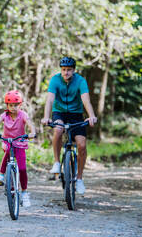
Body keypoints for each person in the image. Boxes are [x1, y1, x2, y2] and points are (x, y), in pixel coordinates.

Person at [41, 57, 97, 195]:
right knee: (58, 130)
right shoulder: (55, 80)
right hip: (59, 112)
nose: (66, 73)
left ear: (74, 70)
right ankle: (56, 162)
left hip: (76, 114)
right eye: (64, 70)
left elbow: (85, 99)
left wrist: (91, 115)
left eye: (69, 70)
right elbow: (50, 100)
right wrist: (46, 117)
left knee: (82, 145)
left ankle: (79, 179)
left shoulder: (80, 81)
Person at [0, 90, 36, 207]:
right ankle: (1, 174)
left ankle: (24, 193)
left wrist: (32, 132)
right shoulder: (4, 115)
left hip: (20, 143)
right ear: (7, 106)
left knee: (22, 169)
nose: (13, 108)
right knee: (7, 151)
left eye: (16, 105)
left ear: (20, 105)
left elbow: (30, 124)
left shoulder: (23, 115)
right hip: (8, 142)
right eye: (11, 105)